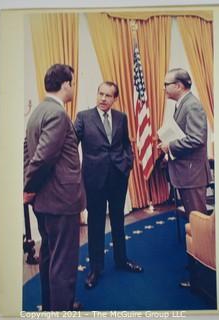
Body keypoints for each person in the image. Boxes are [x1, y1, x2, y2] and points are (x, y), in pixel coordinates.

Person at [24, 64, 86, 311]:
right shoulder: (58, 114)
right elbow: (43, 157)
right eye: (72, 82)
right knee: (63, 263)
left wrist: (29, 189)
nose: (73, 86)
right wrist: (29, 187)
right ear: (66, 85)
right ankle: (62, 310)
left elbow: (27, 153)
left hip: (45, 200)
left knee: (50, 257)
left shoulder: (38, 111)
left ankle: (52, 307)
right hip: (61, 200)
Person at [74, 81, 142, 290]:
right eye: (100, 94)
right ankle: (96, 268)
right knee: (95, 224)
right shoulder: (83, 117)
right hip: (94, 180)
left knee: (118, 221)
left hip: (118, 178)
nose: (103, 98)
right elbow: (70, 144)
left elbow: (125, 144)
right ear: (97, 94)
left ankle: (122, 260)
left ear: (115, 99)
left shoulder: (121, 117)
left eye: (108, 95)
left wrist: (127, 164)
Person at [158, 68, 212, 288]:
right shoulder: (182, 105)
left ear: (178, 86)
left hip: (192, 175)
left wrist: (169, 145)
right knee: (195, 222)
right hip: (186, 173)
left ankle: (203, 277)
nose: (164, 88)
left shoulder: (192, 105)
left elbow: (196, 139)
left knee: (199, 225)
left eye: (166, 84)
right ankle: (198, 267)